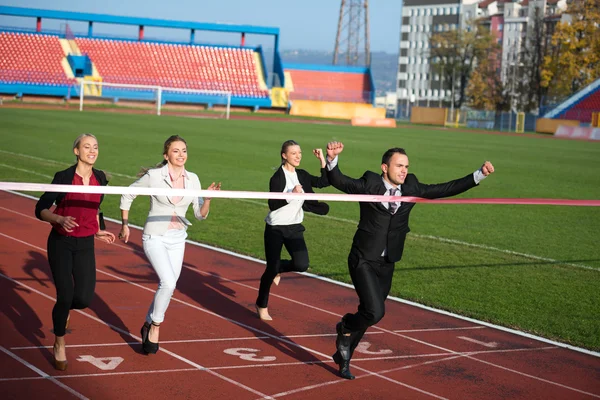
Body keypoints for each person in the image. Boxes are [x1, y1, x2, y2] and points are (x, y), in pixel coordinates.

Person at [325, 141, 495, 380]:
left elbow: (445, 189)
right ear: (385, 167)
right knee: (374, 312)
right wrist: (332, 160)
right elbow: (340, 181)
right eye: (399, 165)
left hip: (388, 262)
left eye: (406, 166)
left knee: (369, 311)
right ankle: (345, 327)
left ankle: (344, 358)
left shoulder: (411, 186)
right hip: (363, 258)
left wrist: (478, 175)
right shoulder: (370, 183)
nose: (404, 170)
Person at [119, 135, 220, 354]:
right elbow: (128, 194)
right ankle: (155, 326)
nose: (181, 154)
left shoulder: (193, 178)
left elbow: (199, 215)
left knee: (169, 285)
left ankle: (147, 323)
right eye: (176, 151)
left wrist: (208, 199)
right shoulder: (154, 176)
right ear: (166, 155)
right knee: (168, 282)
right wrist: (125, 224)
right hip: (154, 236)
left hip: (178, 238)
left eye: (184, 150)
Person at [35, 133, 116, 371]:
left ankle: (65, 311)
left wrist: (99, 230)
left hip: (85, 244)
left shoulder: (100, 177)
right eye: (87, 146)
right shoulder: (64, 177)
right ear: (76, 151)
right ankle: (59, 342)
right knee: (65, 294)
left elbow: (96, 207)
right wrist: (58, 218)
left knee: (83, 298)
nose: (92, 150)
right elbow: (40, 208)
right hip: (61, 241)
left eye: (95, 147)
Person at [255, 140, 330, 321]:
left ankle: (278, 267)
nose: (298, 156)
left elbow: (323, 182)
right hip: (275, 228)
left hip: (294, 227)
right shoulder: (277, 178)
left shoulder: (302, 175)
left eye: (299, 153)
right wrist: (291, 195)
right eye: (294, 153)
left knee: (301, 264)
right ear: (284, 155)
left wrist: (323, 160)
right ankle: (261, 304)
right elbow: (273, 204)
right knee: (270, 270)